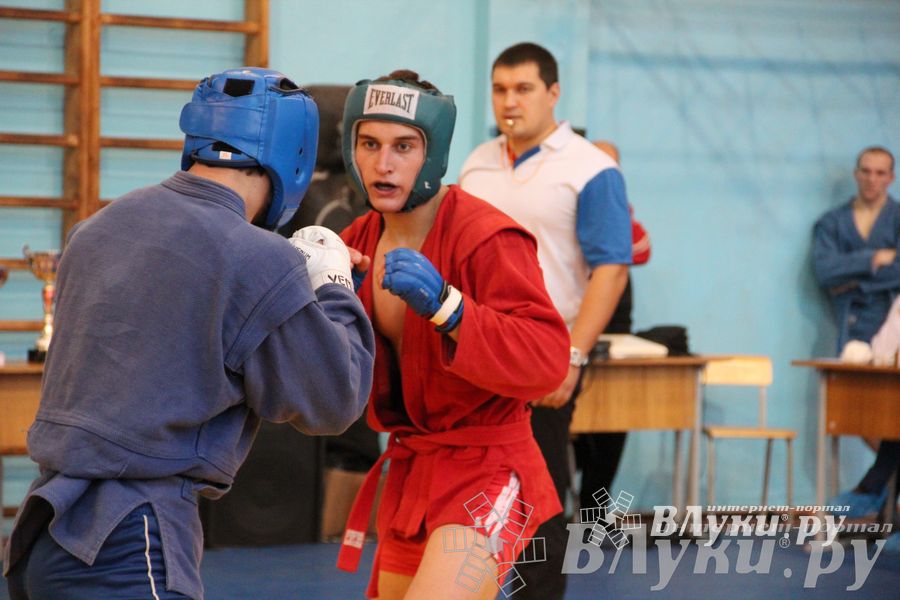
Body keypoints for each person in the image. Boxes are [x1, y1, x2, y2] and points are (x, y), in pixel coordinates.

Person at [3, 67, 376, 600]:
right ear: (294, 153)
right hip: (130, 539)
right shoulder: (255, 256)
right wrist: (333, 284)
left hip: (41, 538)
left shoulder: (94, 230)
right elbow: (333, 399)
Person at [334, 70, 570, 600]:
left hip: (488, 468)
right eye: (369, 144)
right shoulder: (354, 244)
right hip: (413, 473)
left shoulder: (486, 238)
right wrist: (322, 313)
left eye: (403, 146)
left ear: (432, 154)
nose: (383, 163)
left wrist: (450, 308)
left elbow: (548, 362)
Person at [460, 43, 632, 599]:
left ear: (553, 93)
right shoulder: (477, 162)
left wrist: (573, 357)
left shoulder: (591, 168)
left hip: (542, 356)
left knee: (539, 497)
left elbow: (612, 270)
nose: (510, 102)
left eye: (523, 89)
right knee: (468, 492)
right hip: (472, 349)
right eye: (500, 89)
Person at [812, 146, 899, 546]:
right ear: (855, 173)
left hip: (893, 321)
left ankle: (870, 496)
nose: (872, 179)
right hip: (854, 329)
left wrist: (856, 276)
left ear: (891, 178)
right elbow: (825, 271)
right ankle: (879, 498)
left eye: (881, 173)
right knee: (863, 416)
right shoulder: (831, 222)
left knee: (892, 418)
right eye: (865, 171)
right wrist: (873, 261)